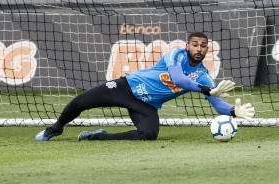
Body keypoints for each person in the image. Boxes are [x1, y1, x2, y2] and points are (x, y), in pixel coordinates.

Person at [35, 32, 255, 141]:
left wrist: (234, 111)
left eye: (203, 46)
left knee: (149, 135)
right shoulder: (175, 55)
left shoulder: (204, 77)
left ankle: (97, 136)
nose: (198, 48)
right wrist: (207, 90)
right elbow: (178, 80)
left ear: (208, 50)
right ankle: (55, 129)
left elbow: (218, 105)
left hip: (146, 105)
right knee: (81, 102)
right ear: (187, 45)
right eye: (195, 44)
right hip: (126, 87)